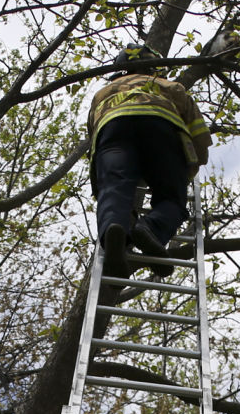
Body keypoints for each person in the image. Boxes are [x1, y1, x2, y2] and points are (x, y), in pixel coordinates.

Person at [86, 44, 212, 277]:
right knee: (171, 198)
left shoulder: (103, 93)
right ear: (155, 67)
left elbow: (93, 132)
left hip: (113, 131)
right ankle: (151, 229)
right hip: (162, 131)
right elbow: (199, 134)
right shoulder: (169, 86)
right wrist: (188, 168)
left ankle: (115, 233)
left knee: (114, 189)